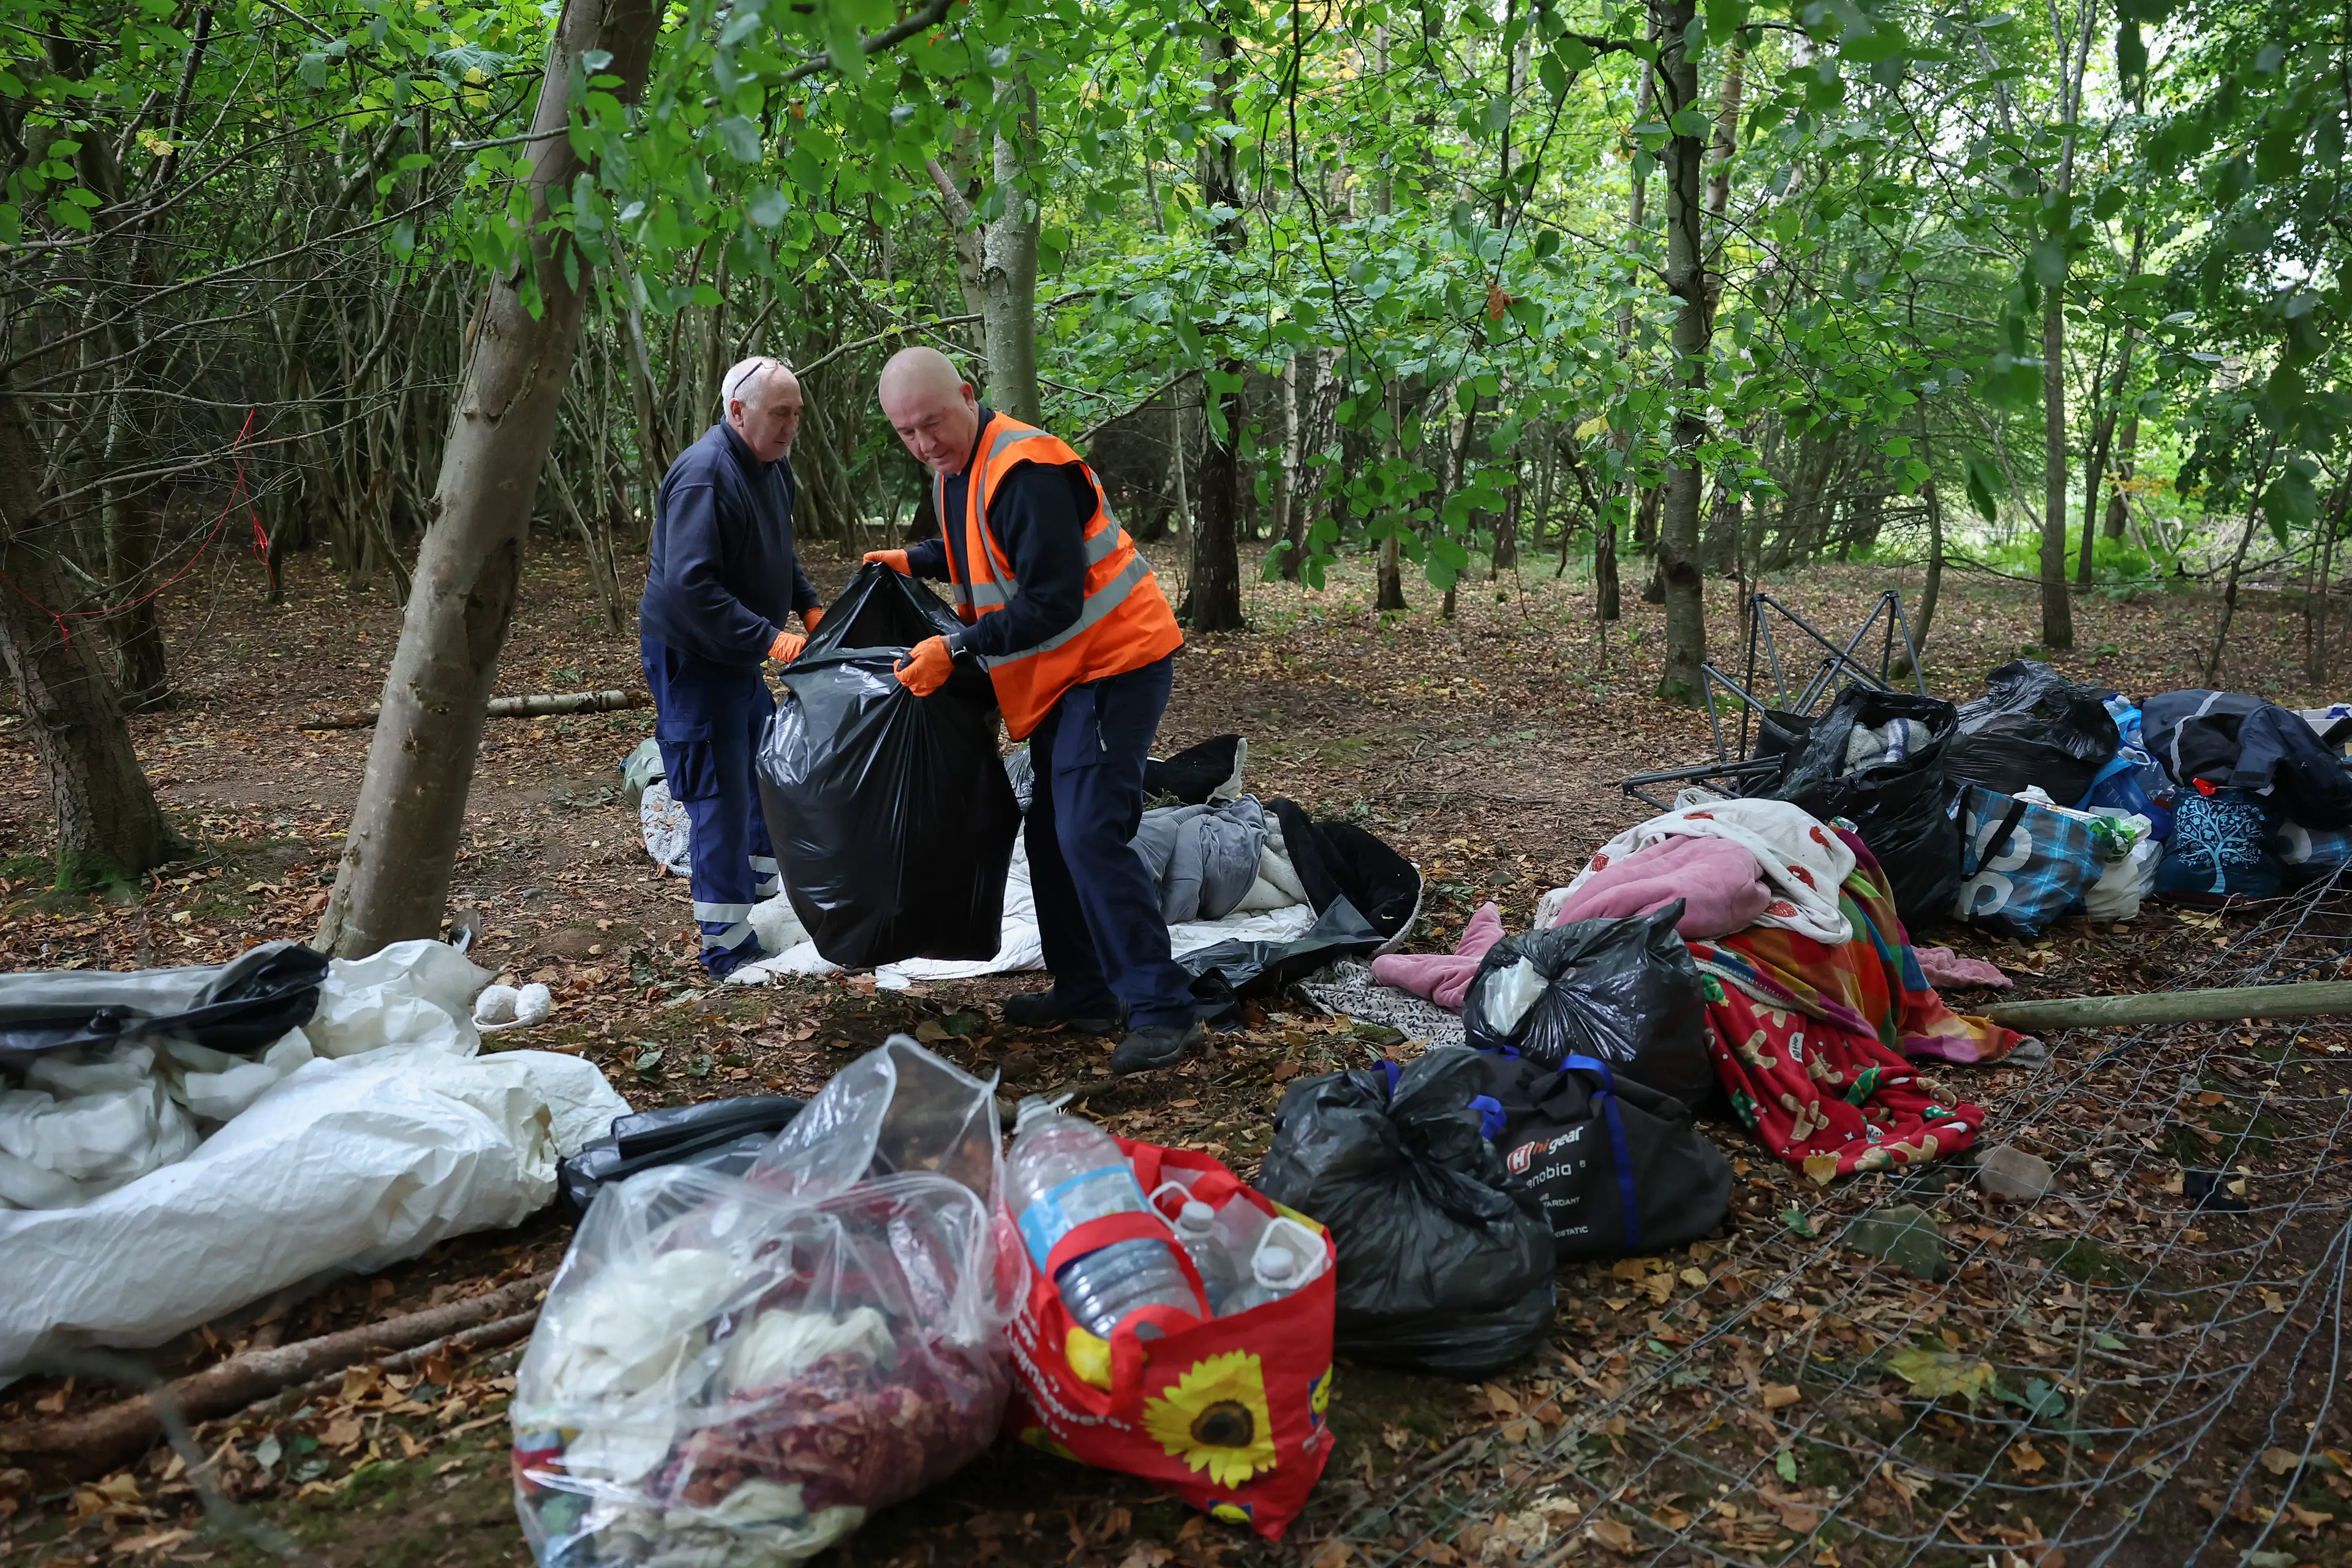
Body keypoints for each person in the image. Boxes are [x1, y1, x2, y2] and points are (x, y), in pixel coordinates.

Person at [869, 347, 1199, 1072]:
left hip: (1115, 666)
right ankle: (1085, 991)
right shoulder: (958, 472)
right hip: (1063, 677)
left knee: (1088, 833)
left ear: (967, 393)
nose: (924, 443)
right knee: (1050, 835)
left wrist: (955, 649)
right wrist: (914, 560)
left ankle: (1163, 1009)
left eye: (931, 423)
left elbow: (1053, 599)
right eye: (906, 433)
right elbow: (985, 550)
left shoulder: (1025, 468)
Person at [639, 356, 823, 979]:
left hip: (736, 657)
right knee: (719, 793)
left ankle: (760, 900)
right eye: (780, 413)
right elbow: (692, 587)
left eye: (797, 414)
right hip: (693, 658)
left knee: (764, 771)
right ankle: (724, 944)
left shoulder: (772, 467)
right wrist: (771, 637)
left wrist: (810, 604)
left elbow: (779, 546)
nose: (791, 425)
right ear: (738, 411)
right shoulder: (706, 476)